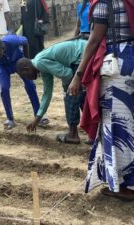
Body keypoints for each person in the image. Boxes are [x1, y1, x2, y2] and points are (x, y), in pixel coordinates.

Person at [68, 0, 134, 200]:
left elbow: (95, 40)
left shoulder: (105, 3)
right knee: (130, 122)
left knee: (116, 126)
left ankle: (124, 185)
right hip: (131, 62)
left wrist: (77, 76)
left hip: (116, 67)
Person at [17, 39, 89, 144]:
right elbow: (47, 94)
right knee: (81, 96)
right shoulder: (40, 65)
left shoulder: (39, 62)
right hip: (82, 53)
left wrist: (66, 88)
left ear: (25, 69)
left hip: (81, 55)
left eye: (24, 76)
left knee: (70, 94)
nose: (27, 79)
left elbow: (67, 74)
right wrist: (37, 119)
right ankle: (93, 132)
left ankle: (73, 135)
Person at [0, 35, 41, 129]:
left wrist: (28, 61)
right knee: (4, 88)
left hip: (18, 61)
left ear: (3, 48)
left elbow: (25, 41)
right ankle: (10, 119)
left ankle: (39, 115)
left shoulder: (12, 41)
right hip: (2, 67)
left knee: (30, 84)